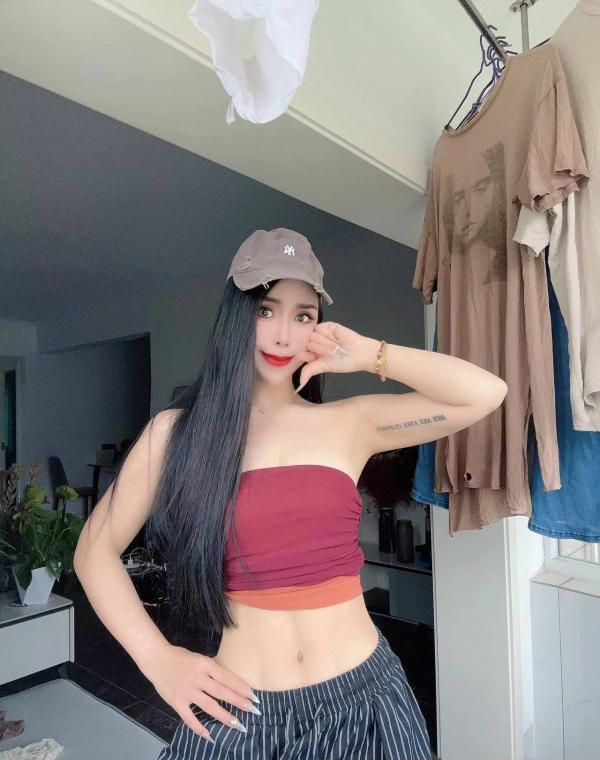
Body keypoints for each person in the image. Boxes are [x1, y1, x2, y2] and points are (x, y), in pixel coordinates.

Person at [73, 228, 507, 759]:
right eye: (266, 310)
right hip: (241, 711)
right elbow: (94, 551)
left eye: (303, 316)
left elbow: (486, 393)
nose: (283, 336)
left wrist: (371, 354)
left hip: (364, 699)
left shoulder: (351, 423)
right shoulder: (177, 433)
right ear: (237, 315)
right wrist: (158, 659)